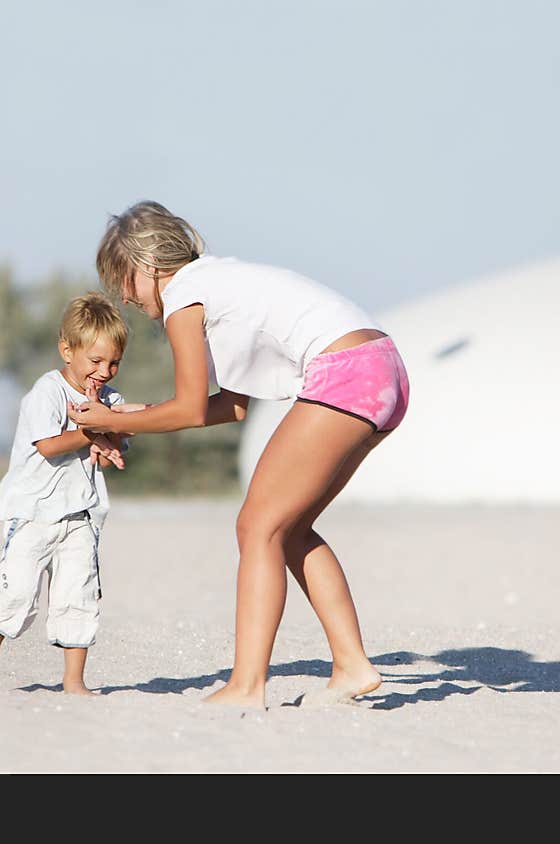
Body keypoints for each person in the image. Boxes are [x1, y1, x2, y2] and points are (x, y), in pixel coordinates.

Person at [67, 201, 410, 709]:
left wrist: (112, 421)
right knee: (287, 528)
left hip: (345, 374)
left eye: (122, 278)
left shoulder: (184, 294)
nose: (122, 294)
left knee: (256, 527)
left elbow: (186, 406)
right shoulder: (220, 282)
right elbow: (230, 407)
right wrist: (132, 418)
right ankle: (352, 666)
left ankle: (247, 686)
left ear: (148, 266)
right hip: (384, 370)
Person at [0, 292, 142, 695]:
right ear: (67, 349)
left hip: (80, 515)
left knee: (78, 595)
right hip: (33, 512)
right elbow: (48, 445)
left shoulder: (107, 399)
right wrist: (93, 432)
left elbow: (123, 424)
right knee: (19, 594)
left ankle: (74, 680)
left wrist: (113, 437)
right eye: (95, 361)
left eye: (114, 362)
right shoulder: (47, 392)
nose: (105, 371)